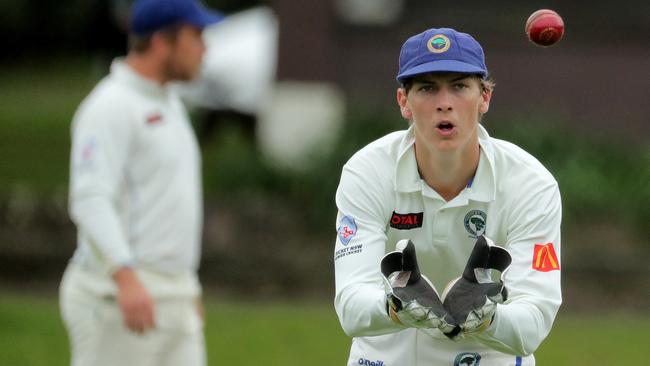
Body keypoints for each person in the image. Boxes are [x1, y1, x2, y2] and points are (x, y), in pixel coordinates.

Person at [333, 27, 561, 365]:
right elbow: (351, 306)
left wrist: (485, 316)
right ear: (403, 102)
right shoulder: (367, 172)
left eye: (459, 86)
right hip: (387, 357)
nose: (444, 104)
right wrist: (397, 306)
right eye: (427, 88)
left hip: (487, 355)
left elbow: (534, 323)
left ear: (484, 97)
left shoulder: (530, 184)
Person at [59, 0, 223, 365]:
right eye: (196, 35)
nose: (205, 47)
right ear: (162, 42)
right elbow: (90, 198)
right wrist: (126, 279)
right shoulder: (109, 106)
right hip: (119, 299)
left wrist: (187, 289)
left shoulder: (170, 103)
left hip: (173, 297)